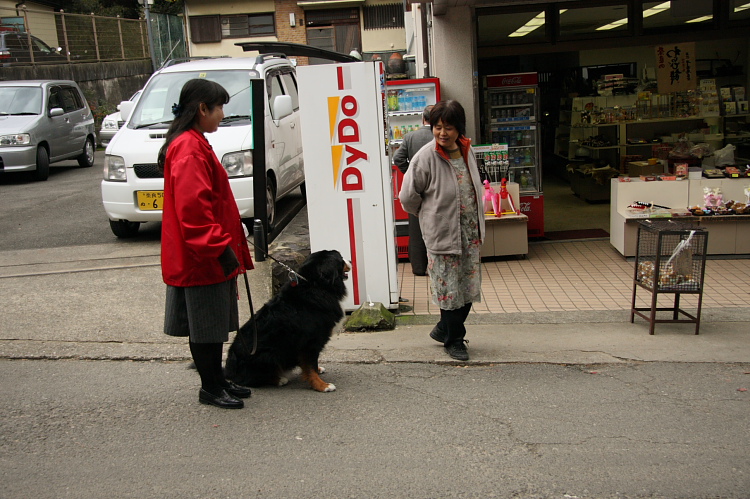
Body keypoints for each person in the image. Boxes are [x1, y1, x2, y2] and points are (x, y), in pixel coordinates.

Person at [158, 79, 254, 409]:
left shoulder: (194, 142)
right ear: (202, 109)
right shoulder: (188, 147)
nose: (223, 114)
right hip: (202, 255)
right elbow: (194, 210)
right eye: (220, 107)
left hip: (206, 251)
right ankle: (210, 387)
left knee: (213, 323)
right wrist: (218, 247)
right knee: (206, 326)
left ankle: (217, 379)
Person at [398, 100, 485, 361]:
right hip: (442, 232)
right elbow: (407, 196)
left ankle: (443, 329)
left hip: (469, 233)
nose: (442, 133)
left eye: (448, 127)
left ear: (459, 128)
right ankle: (454, 340)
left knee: (469, 287)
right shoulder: (426, 156)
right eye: (438, 127)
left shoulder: (467, 150)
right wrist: (428, 216)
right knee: (449, 290)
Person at [393, 105, 433, 276]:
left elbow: (398, 158)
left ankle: (418, 268)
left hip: (415, 189)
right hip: (436, 188)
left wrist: (410, 173)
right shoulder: (443, 136)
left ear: (422, 118)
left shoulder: (410, 137)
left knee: (416, 231)